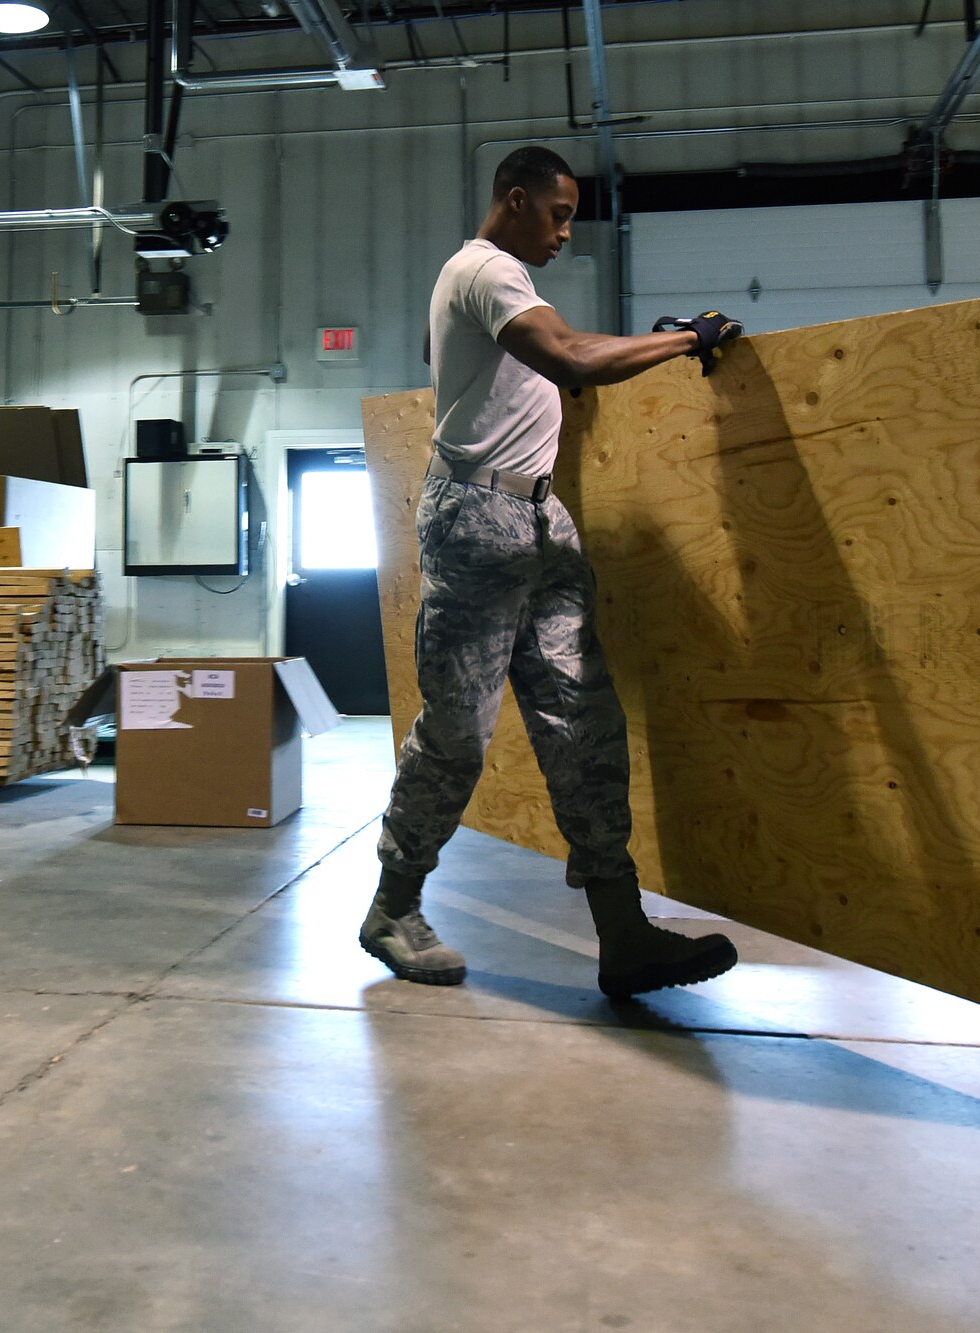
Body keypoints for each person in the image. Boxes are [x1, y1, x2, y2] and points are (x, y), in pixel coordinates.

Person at [360, 145, 745, 999]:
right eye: (559, 213)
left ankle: (623, 934)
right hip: (477, 521)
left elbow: (545, 362)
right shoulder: (483, 270)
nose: (568, 231)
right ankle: (392, 908)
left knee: (585, 725)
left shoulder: (502, 289)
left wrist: (647, 345)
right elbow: (569, 357)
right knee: (459, 733)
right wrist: (687, 339)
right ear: (516, 198)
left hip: (540, 520)